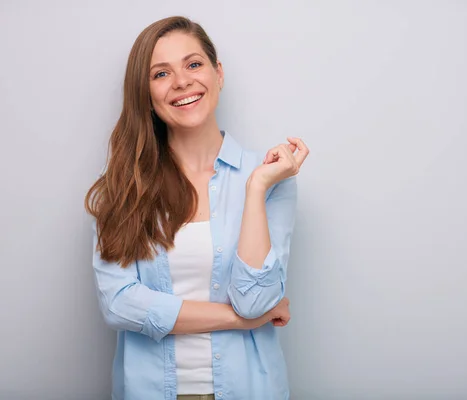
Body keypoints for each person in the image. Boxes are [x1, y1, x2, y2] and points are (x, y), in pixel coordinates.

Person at [84, 15, 309, 400]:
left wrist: (254, 188)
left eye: (193, 64)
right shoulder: (120, 187)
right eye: (160, 74)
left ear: (217, 74)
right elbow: (119, 304)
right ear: (146, 94)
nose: (182, 82)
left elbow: (255, 299)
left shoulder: (271, 180)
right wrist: (239, 320)